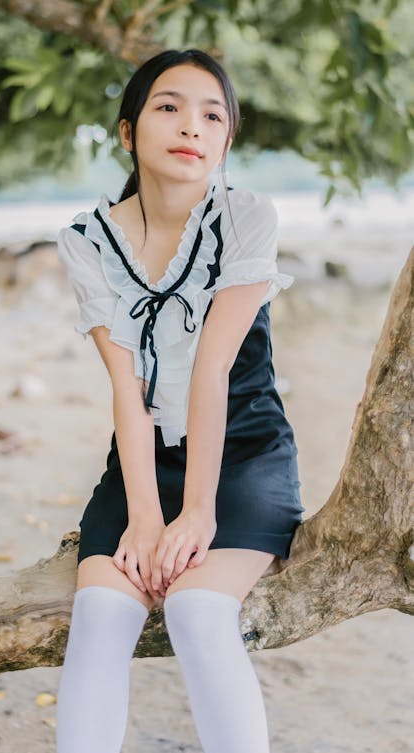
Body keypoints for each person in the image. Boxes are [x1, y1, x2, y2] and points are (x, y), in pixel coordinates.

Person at [55, 47, 305, 753]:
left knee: (196, 609)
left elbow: (212, 370)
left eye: (211, 114)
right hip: (143, 463)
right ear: (129, 132)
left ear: (226, 141)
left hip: (245, 455)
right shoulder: (88, 240)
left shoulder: (247, 217)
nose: (190, 126)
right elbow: (127, 388)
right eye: (168, 107)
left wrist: (195, 512)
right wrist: (143, 516)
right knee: (101, 611)